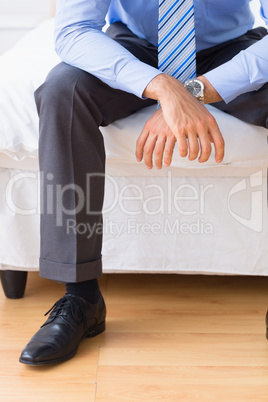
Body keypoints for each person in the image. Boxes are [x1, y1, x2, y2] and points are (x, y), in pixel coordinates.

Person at [19, 0, 268, 366]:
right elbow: (73, 30)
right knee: (62, 90)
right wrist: (161, 87)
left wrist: (193, 92)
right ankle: (81, 296)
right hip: (136, 49)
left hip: (228, 49)